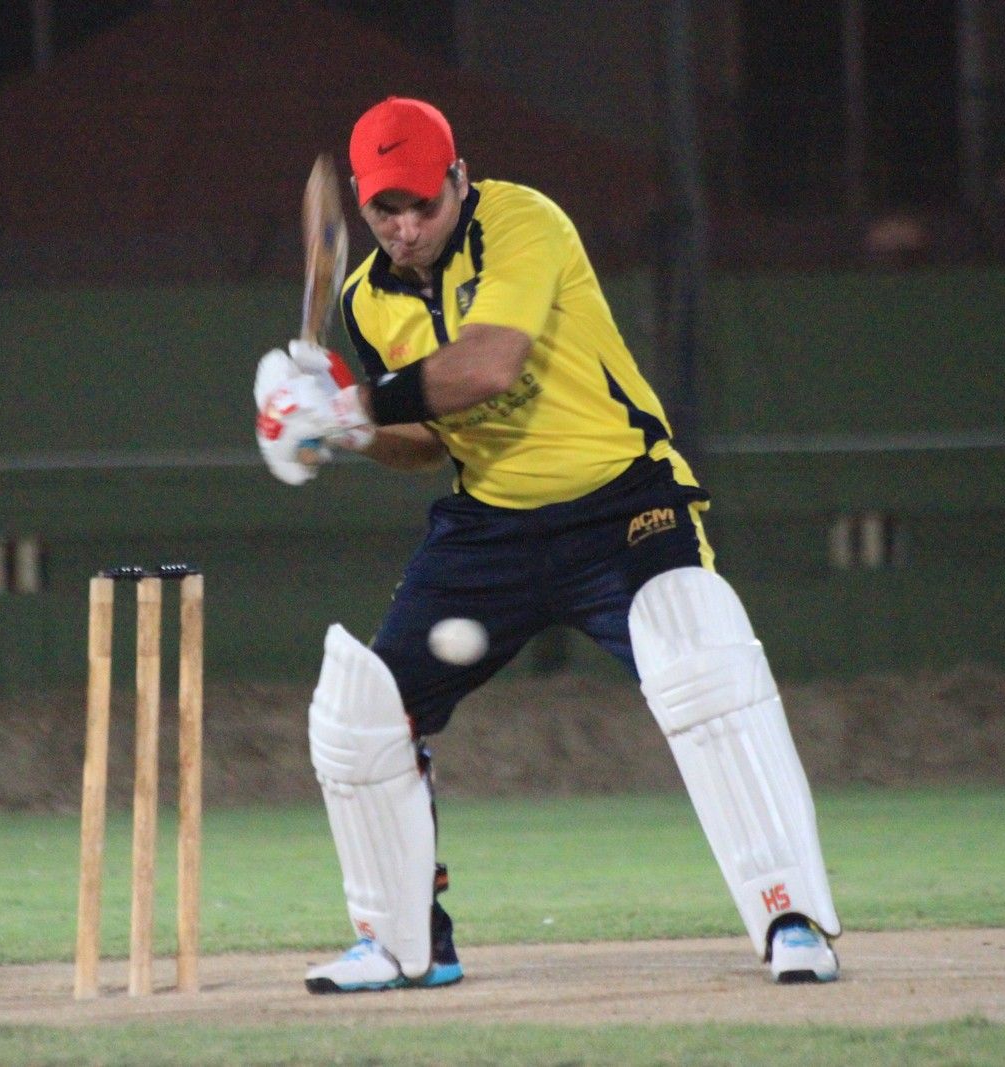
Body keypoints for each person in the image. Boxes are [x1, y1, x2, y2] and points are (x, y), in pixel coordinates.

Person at [254, 97, 841, 993]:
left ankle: (789, 915)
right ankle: (402, 943)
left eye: (423, 203)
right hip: (491, 525)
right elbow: (430, 441)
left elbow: (490, 364)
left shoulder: (522, 221)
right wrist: (341, 432)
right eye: (385, 210)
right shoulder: (365, 299)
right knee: (362, 714)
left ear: (459, 178)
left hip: (621, 502)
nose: (406, 228)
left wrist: (350, 403)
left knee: (702, 661)